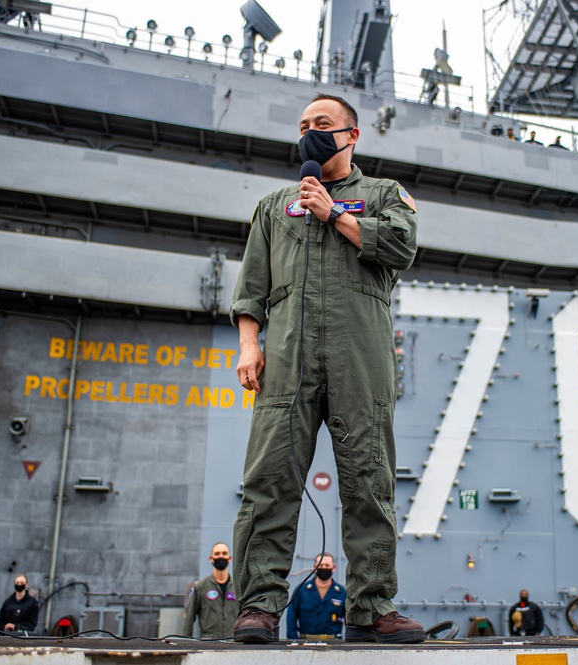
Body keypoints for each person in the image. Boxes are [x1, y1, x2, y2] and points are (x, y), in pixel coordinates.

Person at [230, 93, 422, 644]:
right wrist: (250, 346)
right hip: (287, 360)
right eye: (304, 124)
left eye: (323, 123)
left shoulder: (384, 195)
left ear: (351, 135)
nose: (310, 132)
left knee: (369, 481)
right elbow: (251, 291)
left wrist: (333, 212)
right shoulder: (273, 208)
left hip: (359, 359)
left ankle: (372, 609)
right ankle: (260, 606)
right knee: (268, 480)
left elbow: (401, 247)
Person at [183, 542, 239, 639]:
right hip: (208, 643)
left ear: (230, 558)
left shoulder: (238, 588)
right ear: (211, 559)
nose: (221, 556)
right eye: (217, 554)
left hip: (233, 641)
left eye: (224, 553)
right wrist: (185, 643)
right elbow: (189, 618)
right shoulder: (201, 587)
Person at [286, 552, 346, 639]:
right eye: (321, 565)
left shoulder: (342, 592)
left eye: (327, 565)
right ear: (314, 567)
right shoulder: (302, 590)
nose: (324, 567)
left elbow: (349, 619)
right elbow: (291, 616)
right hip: (306, 642)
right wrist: (293, 639)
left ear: (333, 568)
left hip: (334, 643)